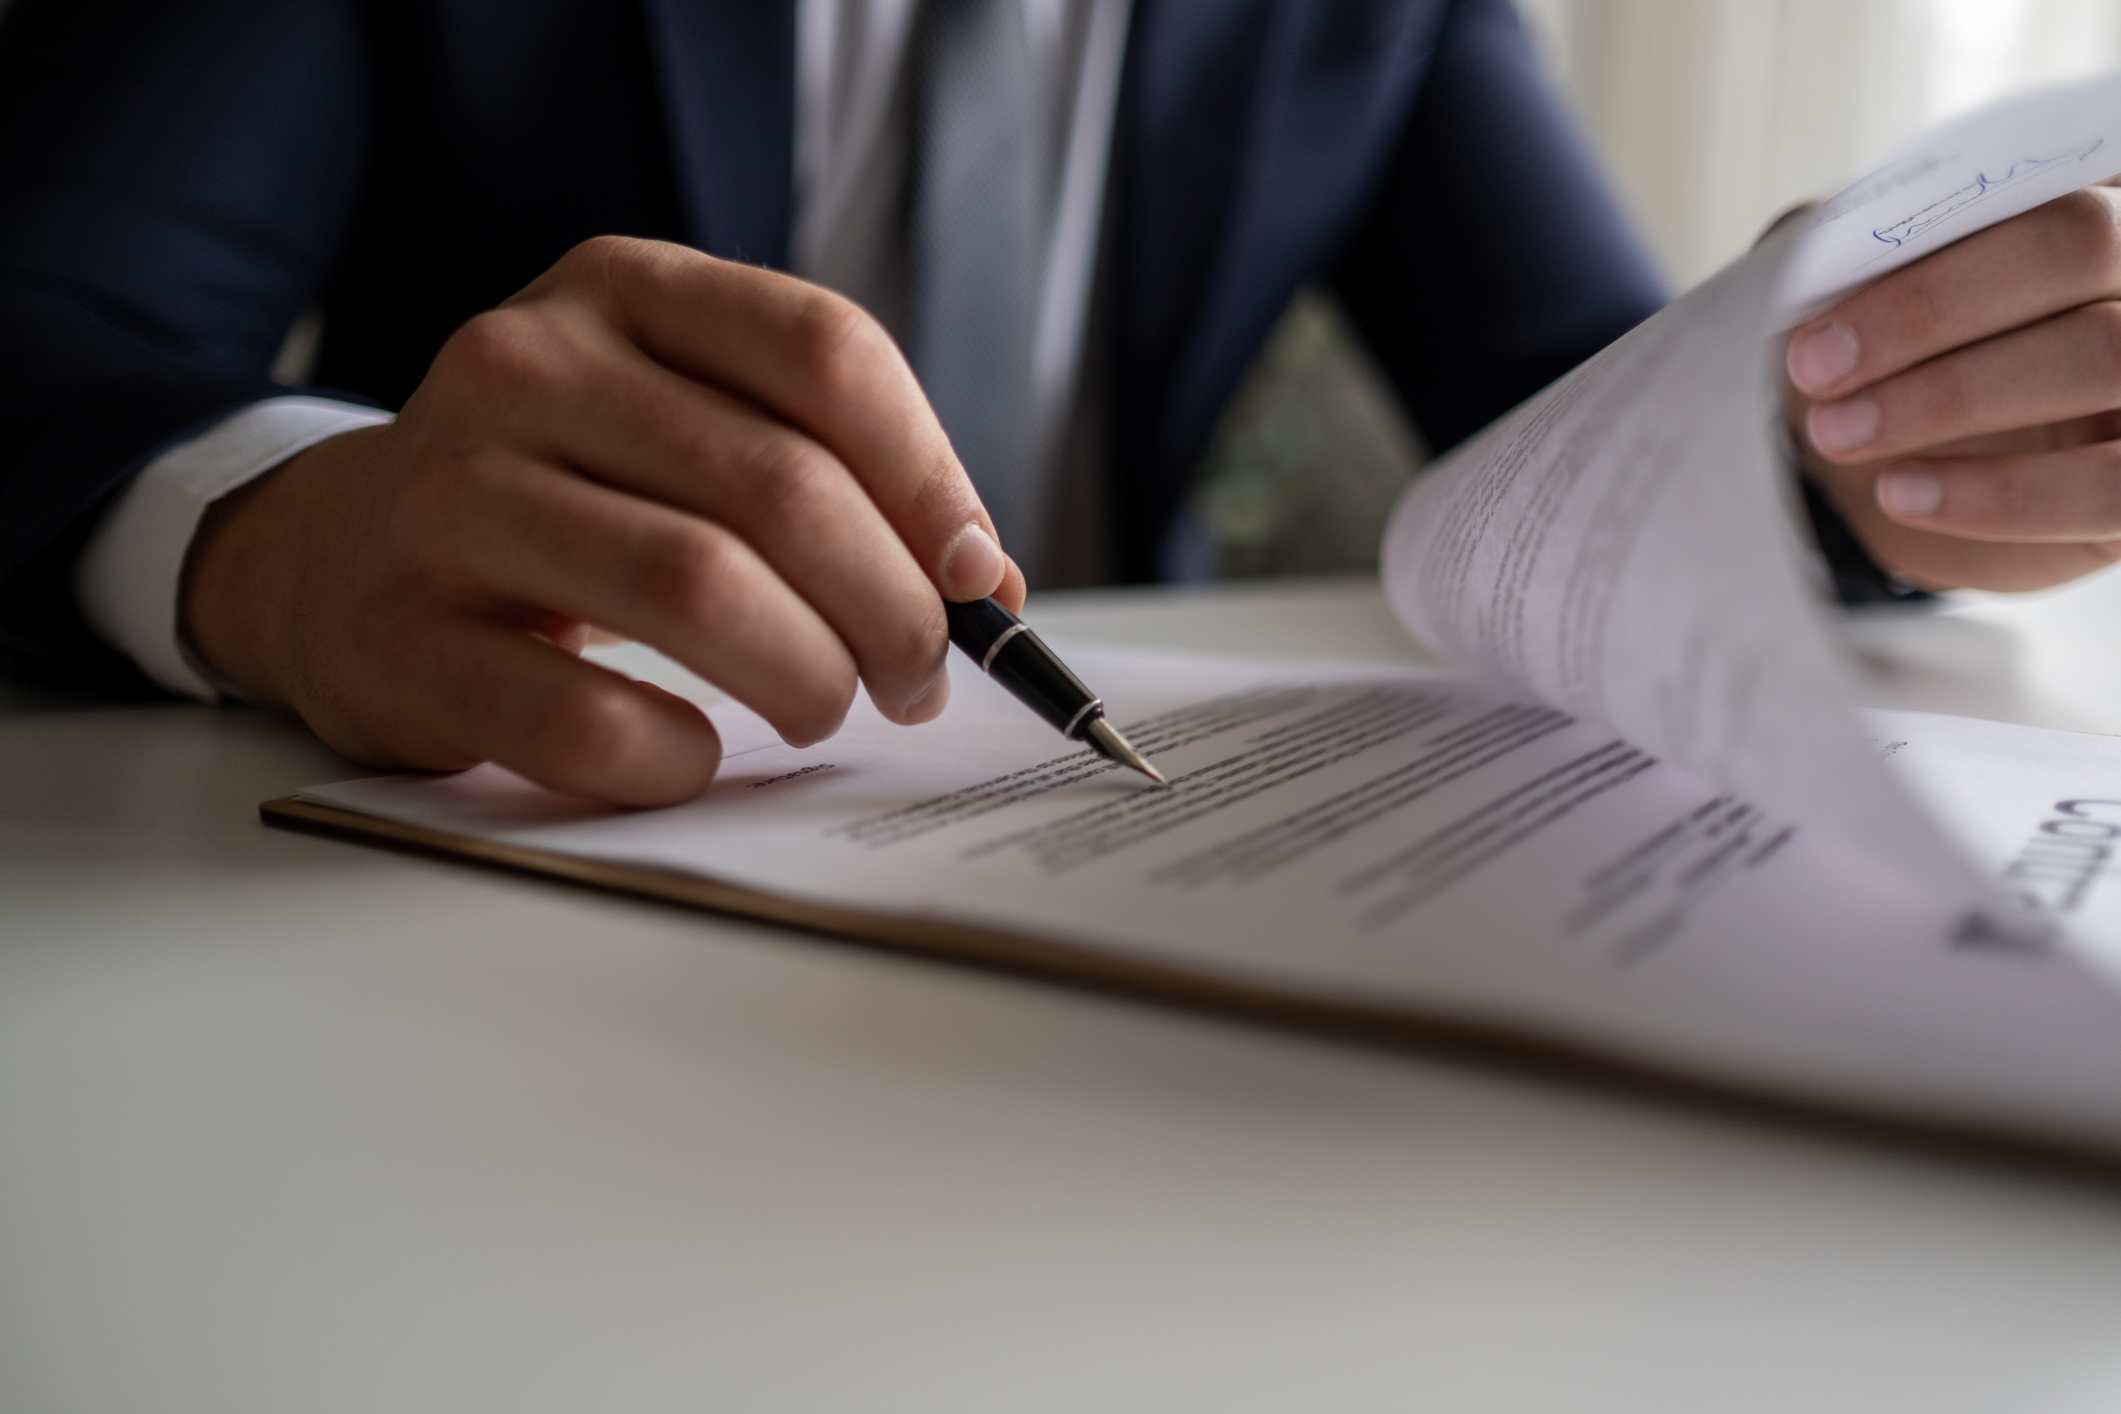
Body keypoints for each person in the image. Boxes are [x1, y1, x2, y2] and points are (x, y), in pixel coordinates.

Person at [0, 0, 2115, 810]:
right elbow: (45, 320)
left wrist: (1848, 421)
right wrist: (280, 541)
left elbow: (1568, 399)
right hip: (490, 855)